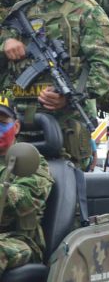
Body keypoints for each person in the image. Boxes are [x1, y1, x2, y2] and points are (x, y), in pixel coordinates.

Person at [0, 0, 109, 170]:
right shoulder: (22, 11)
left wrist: (69, 93)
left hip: (66, 129)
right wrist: (4, 45)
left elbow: (104, 69)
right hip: (19, 126)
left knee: (66, 199)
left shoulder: (87, 11)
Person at [0, 95, 54, 278]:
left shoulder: (32, 161)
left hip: (19, 240)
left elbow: (23, 199)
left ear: (16, 127)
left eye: (2, 122)